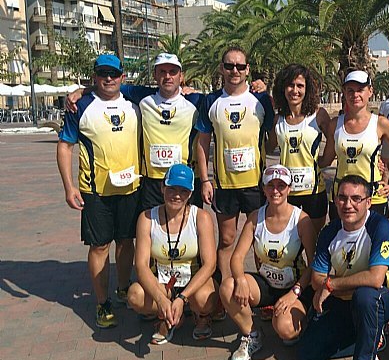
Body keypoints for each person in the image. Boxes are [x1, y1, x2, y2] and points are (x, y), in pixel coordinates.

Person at [57, 54, 141, 328]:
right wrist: (69, 187)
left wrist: (186, 88)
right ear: (94, 77)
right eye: (102, 74)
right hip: (96, 191)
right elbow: (65, 146)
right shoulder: (80, 105)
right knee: (100, 245)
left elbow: (169, 90)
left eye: (113, 74)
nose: (108, 79)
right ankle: (103, 303)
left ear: (122, 77)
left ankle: (123, 288)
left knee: (127, 240)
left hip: (131, 187)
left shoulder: (134, 99)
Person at [297, 174, 389, 360]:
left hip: (383, 296)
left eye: (356, 198)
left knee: (365, 296)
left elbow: (375, 278)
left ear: (368, 202)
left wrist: (331, 285)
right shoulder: (330, 231)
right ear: (335, 201)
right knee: (306, 354)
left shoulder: (379, 226)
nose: (348, 205)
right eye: (343, 198)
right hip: (344, 299)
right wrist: (327, 285)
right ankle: (371, 335)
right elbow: (316, 279)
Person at [67, 52, 205, 211]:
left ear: (181, 76)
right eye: (162, 71)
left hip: (184, 180)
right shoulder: (142, 96)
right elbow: (110, 85)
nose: (167, 76)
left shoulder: (196, 100)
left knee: (188, 230)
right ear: (154, 75)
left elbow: (222, 100)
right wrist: (81, 91)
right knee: (150, 232)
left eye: (173, 72)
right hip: (151, 184)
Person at [219, 165, 316, 360]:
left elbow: (314, 263)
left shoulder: (302, 220)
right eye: (270, 185)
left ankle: (300, 321)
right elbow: (236, 258)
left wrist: (295, 293)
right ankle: (252, 334)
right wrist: (240, 280)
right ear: (263, 189)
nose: (275, 191)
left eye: (281, 185)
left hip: (294, 286)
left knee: (285, 329)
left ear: (289, 188)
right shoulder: (256, 217)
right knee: (228, 287)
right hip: (267, 284)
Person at [196, 46, 275, 279]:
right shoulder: (211, 101)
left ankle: (265, 291)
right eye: (229, 65)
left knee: (259, 240)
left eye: (240, 66)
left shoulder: (261, 100)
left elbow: (272, 139)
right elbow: (202, 144)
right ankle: (226, 291)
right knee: (227, 239)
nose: (234, 70)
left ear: (247, 70)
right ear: (222, 68)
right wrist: (204, 180)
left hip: (255, 185)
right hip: (225, 186)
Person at [127, 164, 218, 344]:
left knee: (204, 299)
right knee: (134, 295)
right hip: (162, 283)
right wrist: (160, 299)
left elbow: (210, 265)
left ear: (191, 193)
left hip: (193, 284)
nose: (177, 195)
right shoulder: (146, 218)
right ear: (162, 187)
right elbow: (141, 266)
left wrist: (183, 298)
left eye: (183, 191)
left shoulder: (201, 217)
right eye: (172, 189)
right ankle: (166, 315)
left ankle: (201, 315)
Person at [321, 70, 389, 220]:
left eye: (360, 90)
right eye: (350, 91)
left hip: (373, 198)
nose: (355, 95)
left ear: (370, 91)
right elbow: (326, 160)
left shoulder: (381, 123)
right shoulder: (335, 124)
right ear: (344, 93)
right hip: (341, 199)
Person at [266, 63, 331, 235]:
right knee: (290, 243)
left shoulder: (318, 115)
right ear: (283, 88)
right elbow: (267, 147)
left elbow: (336, 139)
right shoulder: (277, 119)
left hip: (314, 192)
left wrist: (324, 161)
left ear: (307, 89)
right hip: (286, 192)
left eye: (300, 86)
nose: (295, 90)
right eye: (290, 85)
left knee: (314, 244)